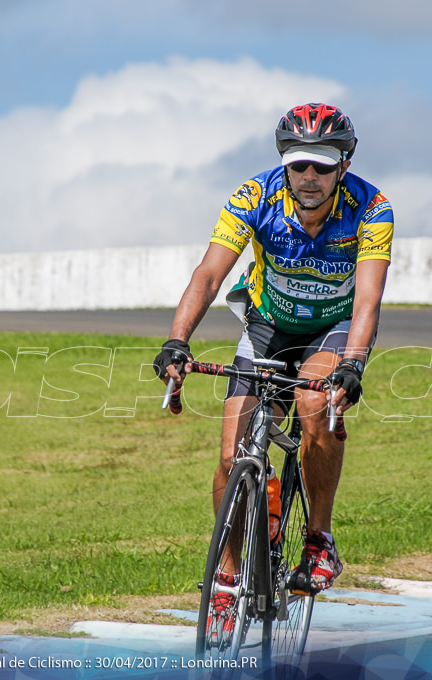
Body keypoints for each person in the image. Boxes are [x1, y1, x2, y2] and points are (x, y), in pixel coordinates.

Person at [153, 103, 394, 600]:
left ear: (343, 165)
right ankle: (226, 570)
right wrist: (177, 340)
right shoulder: (255, 195)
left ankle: (318, 541)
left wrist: (352, 365)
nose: (309, 176)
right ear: (285, 161)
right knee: (229, 457)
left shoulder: (372, 209)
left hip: (334, 328)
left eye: (323, 165)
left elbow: (369, 298)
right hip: (268, 324)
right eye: (299, 163)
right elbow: (209, 275)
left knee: (313, 407)